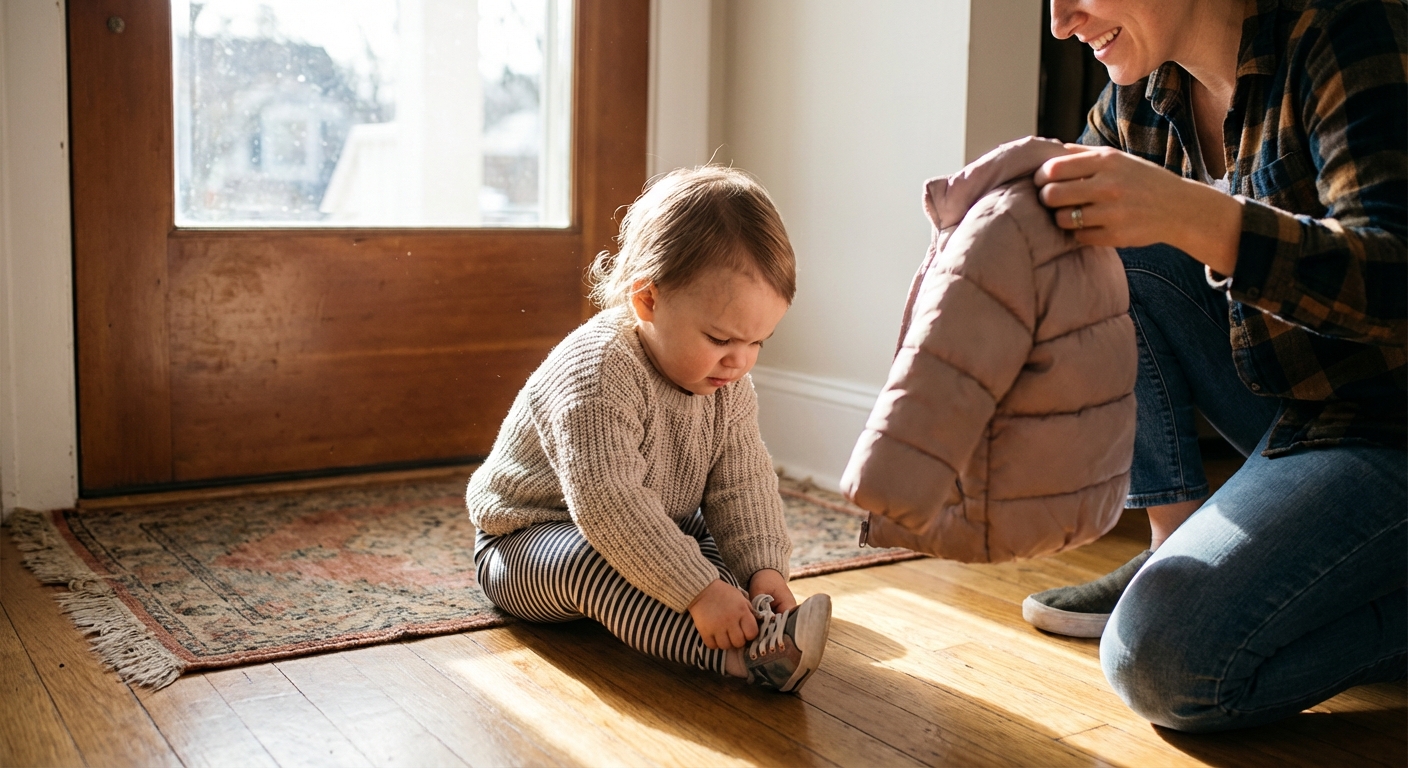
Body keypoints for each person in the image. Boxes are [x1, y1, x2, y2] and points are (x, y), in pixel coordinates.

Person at [1022, 0, 1406, 731]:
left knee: (1160, 663)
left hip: (1390, 418)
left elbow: (1395, 281)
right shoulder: (1143, 93)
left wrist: (1188, 213)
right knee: (1092, 238)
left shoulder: (1348, 31)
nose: (1060, 21)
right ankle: (1172, 540)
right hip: (1298, 402)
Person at [466, 166, 832, 693]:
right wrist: (700, 592)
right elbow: (610, 507)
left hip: (655, 521)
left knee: (714, 551)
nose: (739, 362)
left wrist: (763, 573)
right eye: (720, 338)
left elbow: (742, 484)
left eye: (758, 343)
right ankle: (736, 661)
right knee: (596, 565)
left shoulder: (726, 384)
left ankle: (758, 627)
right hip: (530, 542)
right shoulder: (596, 373)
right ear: (648, 300)